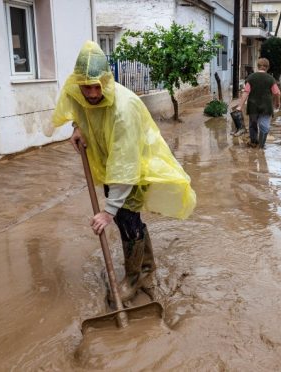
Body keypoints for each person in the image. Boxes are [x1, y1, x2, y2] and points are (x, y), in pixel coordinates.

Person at [51, 41, 196, 304]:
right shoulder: (79, 93)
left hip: (135, 166)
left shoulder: (123, 108)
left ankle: (133, 278)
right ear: (78, 83)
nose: (92, 93)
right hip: (112, 167)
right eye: (87, 87)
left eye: (97, 87)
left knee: (126, 221)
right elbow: (81, 111)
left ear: (107, 81)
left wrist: (108, 210)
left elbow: (125, 163)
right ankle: (148, 267)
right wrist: (77, 128)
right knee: (128, 219)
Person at [235, 58, 281, 149]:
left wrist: (240, 106)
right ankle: (261, 144)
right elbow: (277, 93)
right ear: (267, 67)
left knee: (253, 124)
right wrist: (277, 103)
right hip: (266, 107)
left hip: (253, 106)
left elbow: (246, 92)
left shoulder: (251, 77)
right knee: (264, 126)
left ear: (258, 66)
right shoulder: (270, 79)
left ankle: (253, 142)